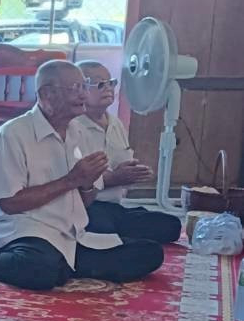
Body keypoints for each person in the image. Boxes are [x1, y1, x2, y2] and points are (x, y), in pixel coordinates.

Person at [0, 61, 165, 290]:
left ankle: (64, 266)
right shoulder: (12, 134)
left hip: (72, 233)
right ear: (47, 94)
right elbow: (10, 203)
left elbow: (86, 201)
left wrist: (88, 184)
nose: (83, 94)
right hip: (27, 230)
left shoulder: (78, 132)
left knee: (150, 252)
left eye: (84, 87)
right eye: (76, 88)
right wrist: (71, 180)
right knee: (39, 269)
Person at [68, 60, 181, 244]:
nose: (108, 88)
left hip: (115, 207)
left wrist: (134, 173)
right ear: (79, 89)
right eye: (100, 84)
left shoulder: (115, 124)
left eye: (111, 82)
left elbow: (122, 165)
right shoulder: (72, 126)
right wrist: (115, 177)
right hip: (86, 206)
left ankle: (121, 239)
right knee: (100, 226)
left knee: (172, 225)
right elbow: (77, 180)